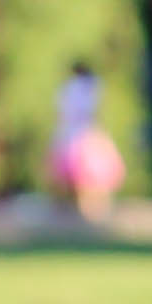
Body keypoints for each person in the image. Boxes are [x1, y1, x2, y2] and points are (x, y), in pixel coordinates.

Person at [48, 63, 125, 222]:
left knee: (82, 177)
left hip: (75, 134)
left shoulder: (71, 88)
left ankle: (80, 210)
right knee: (88, 177)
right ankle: (90, 211)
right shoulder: (91, 87)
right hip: (85, 133)